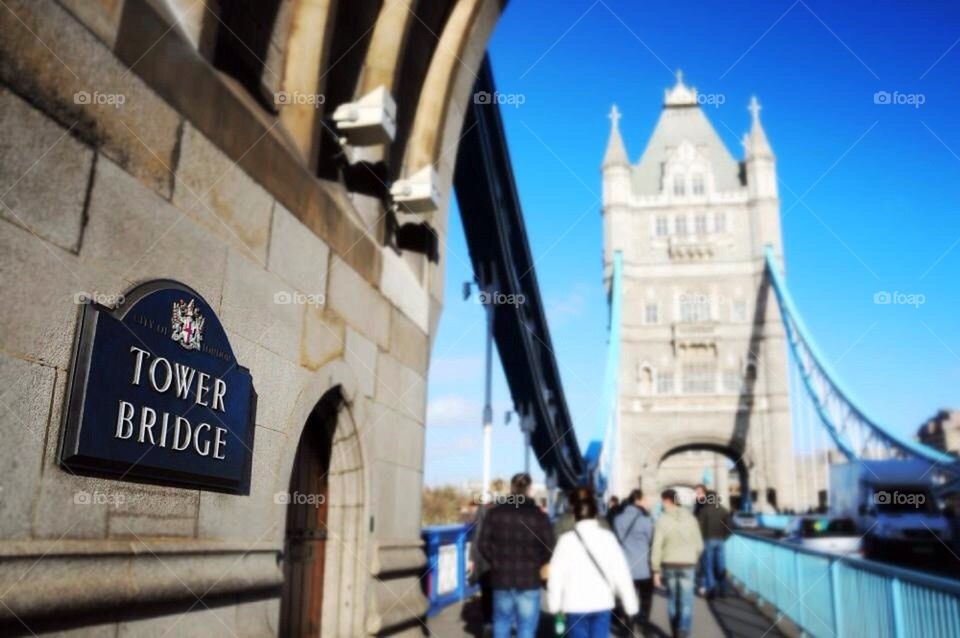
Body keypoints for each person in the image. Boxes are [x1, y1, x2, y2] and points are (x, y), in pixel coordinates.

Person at [548, 488, 638, 638]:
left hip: (574, 602)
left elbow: (556, 575)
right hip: (602, 601)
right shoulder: (608, 538)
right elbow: (621, 573)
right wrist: (630, 606)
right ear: (596, 515)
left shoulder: (565, 540)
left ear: (575, 516)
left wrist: (555, 605)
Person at [479, 473, 554, 638]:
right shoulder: (540, 517)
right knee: (526, 628)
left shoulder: (494, 514)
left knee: (501, 623)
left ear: (511, 488)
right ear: (529, 490)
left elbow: (482, 544)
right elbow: (549, 548)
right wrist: (536, 562)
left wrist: (497, 561)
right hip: (529, 579)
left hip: (501, 578)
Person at [651, 489, 703, 638]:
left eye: (662, 501)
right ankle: (683, 630)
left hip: (669, 564)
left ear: (667, 501)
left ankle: (675, 632)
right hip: (688, 564)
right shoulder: (691, 519)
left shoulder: (662, 520)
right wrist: (693, 557)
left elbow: (656, 546)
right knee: (686, 602)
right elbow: (699, 545)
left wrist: (655, 570)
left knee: (672, 600)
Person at [613, 489, 654, 636]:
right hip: (644, 567)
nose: (647, 502)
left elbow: (617, 540)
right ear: (638, 500)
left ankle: (628, 626)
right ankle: (644, 625)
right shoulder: (646, 520)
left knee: (627, 598)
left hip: (626, 566)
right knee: (646, 598)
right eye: (645, 499)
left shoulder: (618, 519)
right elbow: (651, 541)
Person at [696, 490, 732, 598]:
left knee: (708, 566)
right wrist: (724, 537)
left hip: (707, 540)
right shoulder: (723, 510)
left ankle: (711, 588)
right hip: (720, 540)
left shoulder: (704, 511)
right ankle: (723, 588)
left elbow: (699, 527)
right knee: (721, 565)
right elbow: (729, 528)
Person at [467, 499, 494, 630]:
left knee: (486, 590)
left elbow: (476, 535)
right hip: (502, 560)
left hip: (484, 558)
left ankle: (488, 623)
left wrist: (472, 558)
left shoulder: (483, 509)